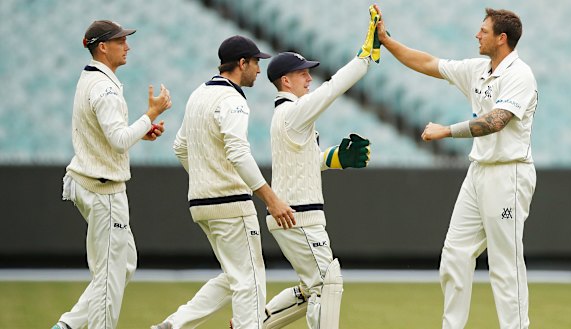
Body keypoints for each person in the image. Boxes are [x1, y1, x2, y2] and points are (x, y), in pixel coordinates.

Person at [375, 5, 538, 329]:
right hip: (478, 171)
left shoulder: (520, 75)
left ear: (502, 38)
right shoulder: (477, 69)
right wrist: (386, 41)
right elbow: (427, 63)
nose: (476, 34)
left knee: (505, 264)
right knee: (454, 255)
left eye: (484, 30)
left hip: (509, 172)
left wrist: (447, 130)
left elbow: (497, 121)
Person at [150, 35, 295, 329]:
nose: (258, 70)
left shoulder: (198, 94)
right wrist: (272, 199)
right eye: (255, 63)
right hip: (230, 203)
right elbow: (238, 152)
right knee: (250, 280)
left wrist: (206, 178)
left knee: (234, 275)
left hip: (202, 203)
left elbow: (180, 146)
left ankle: (174, 325)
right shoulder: (233, 100)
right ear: (242, 63)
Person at [260, 7, 378, 328]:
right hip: (300, 216)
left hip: (296, 215)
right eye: (302, 73)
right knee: (328, 283)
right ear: (285, 81)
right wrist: (363, 59)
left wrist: (336, 159)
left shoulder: (288, 118)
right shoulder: (292, 112)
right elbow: (331, 90)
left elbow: (307, 162)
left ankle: (251, 323)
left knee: (312, 286)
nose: (309, 78)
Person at [53, 20, 172, 329]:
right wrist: (151, 115)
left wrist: (142, 129)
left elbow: (111, 135)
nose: (127, 46)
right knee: (109, 275)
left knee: (124, 265)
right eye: (121, 40)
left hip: (92, 182)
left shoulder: (92, 78)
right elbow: (118, 140)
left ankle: (67, 326)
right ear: (103, 46)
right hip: (102, 189)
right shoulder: (104, 87)